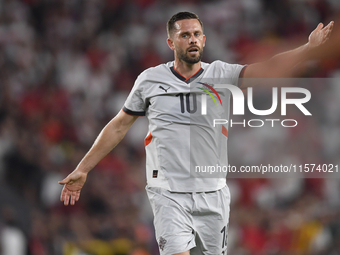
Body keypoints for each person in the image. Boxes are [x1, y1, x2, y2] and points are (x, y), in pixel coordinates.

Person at [59, 12, 333, 255]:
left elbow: (269, 68)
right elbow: (119, 125)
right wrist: (84, 168)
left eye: (197, 34)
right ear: (171, 43)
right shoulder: (149, 80)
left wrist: (308, 49)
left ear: (204, 40)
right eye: (184, 35)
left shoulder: (222, 74)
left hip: (212, 193)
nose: (192, 39)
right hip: (169, 193)